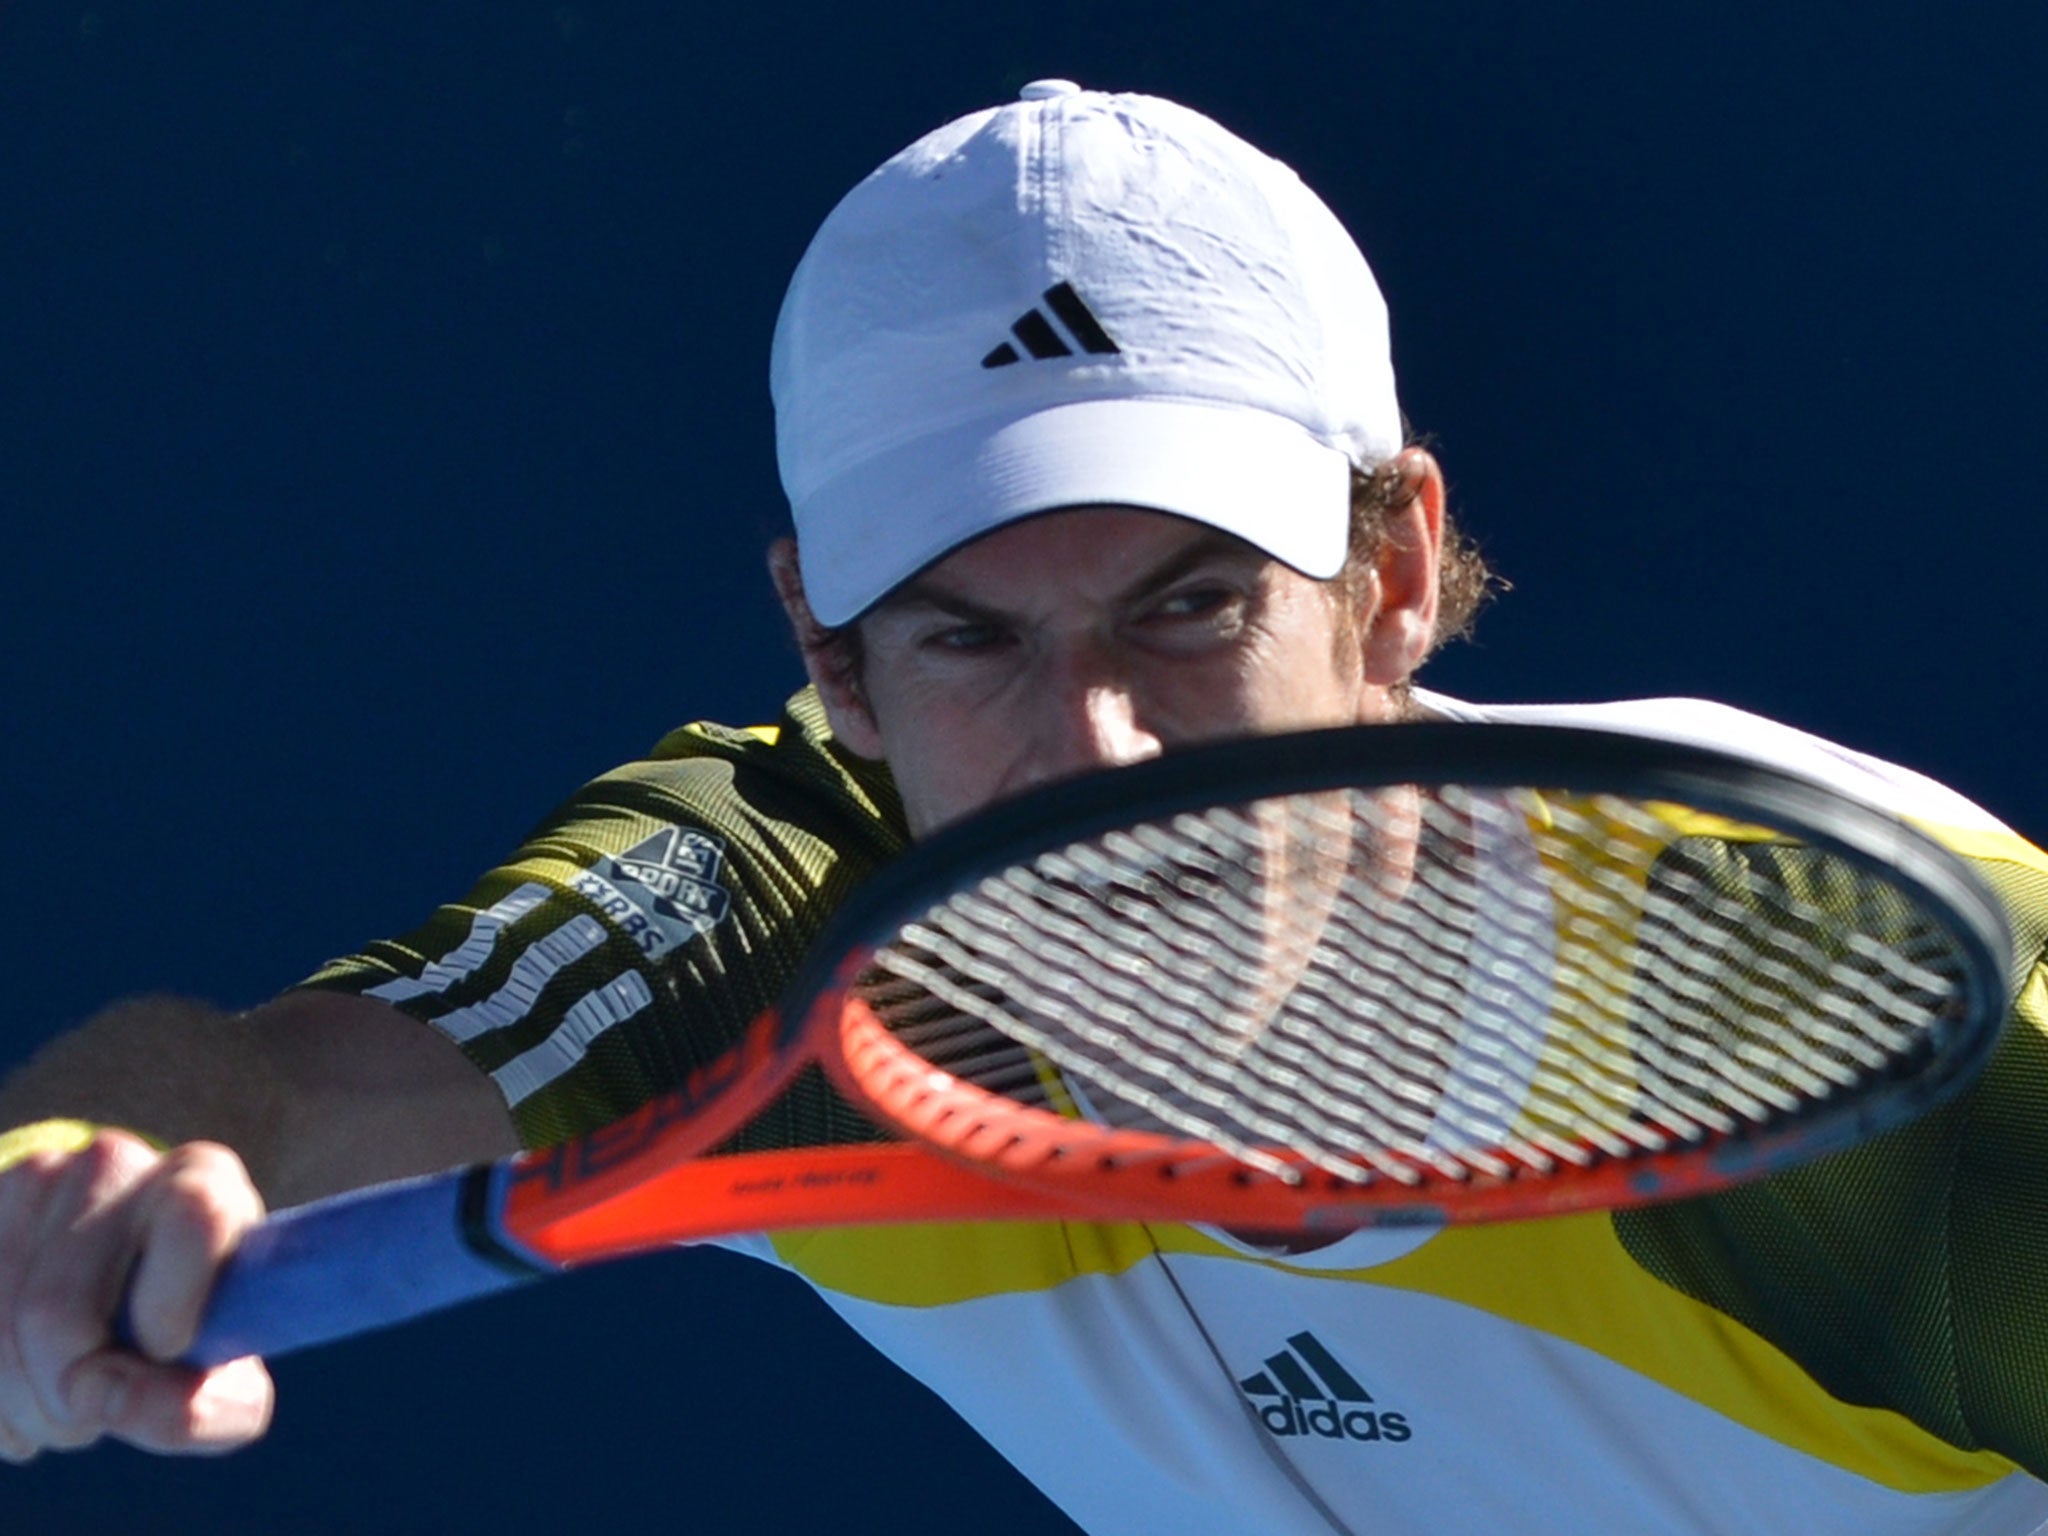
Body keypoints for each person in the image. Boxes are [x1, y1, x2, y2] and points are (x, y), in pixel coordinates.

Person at [3, 81, 2046, 1535]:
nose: (1096, 761)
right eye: (970, 643)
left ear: (1395, 575)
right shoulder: (789, 917)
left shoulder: (1838, 1011)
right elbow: (283, 1090)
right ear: (829, 655)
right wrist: (66, 1180)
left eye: (1189, 609)